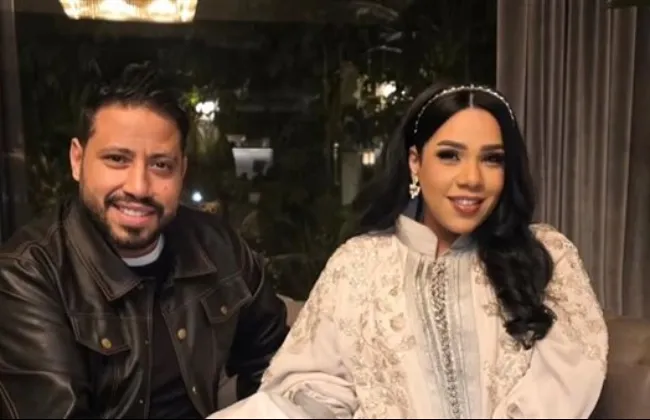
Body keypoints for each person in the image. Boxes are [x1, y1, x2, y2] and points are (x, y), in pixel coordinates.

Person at [207, 82, 608, 419]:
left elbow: (569, 377)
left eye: (492, 159)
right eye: (450, 155)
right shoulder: (359, 265)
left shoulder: (545, 256)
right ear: (415, 162)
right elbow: (311, 389)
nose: (472, 178)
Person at [0, 63, 289, 419]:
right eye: (117, 159)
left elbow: (275, 361)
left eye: (160, 165)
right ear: (77, 160)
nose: (138, 187)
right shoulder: (26, 274)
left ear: (182, 171)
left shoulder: (217, 245)